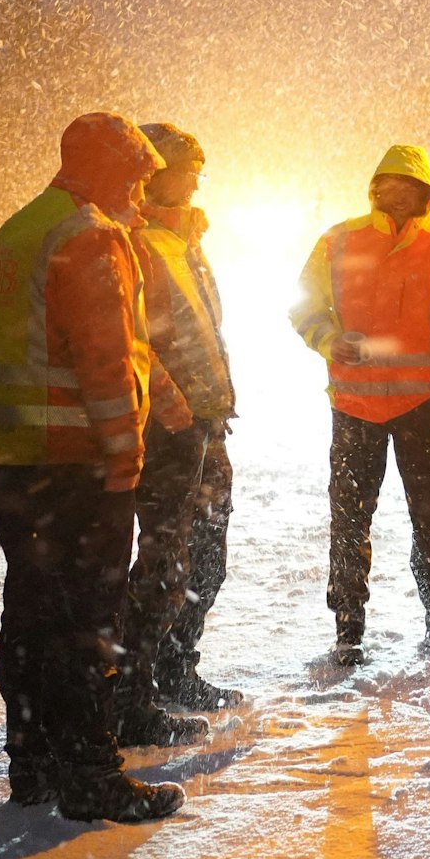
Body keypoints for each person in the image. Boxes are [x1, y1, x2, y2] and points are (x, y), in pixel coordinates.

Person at [0, 111, 187, 822]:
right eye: (132, 169)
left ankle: (30, 763)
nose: (138, 184)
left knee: (31, 610)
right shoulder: (89, 235)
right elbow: (104, 359)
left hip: (13, 458)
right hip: (75, 464)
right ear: (105, 166)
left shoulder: (19, 230)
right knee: (87, 621)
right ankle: (92, 776)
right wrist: (125, 456)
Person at [289, 145, 430, 665]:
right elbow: (304, 305)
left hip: (420, 410)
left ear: (424, 193)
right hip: (356, 406)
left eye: (410, 186)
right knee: (350, 520)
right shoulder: (338, 240)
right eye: (389, 184)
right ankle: (348, 630)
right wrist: (326, 339)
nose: (398, 193)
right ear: (375, 189)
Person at [118, 122, 243, 728]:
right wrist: (177, 406)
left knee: (204, 554)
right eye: (185, 167)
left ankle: (175, 669)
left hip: (202, 420)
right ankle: (133, 694)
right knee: (163, 559)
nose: (196, 179)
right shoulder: (134, 238)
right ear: (153, 171)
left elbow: (201, 331)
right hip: (165, 423)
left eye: (198, 167)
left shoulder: (182, 239)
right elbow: (136, 340)